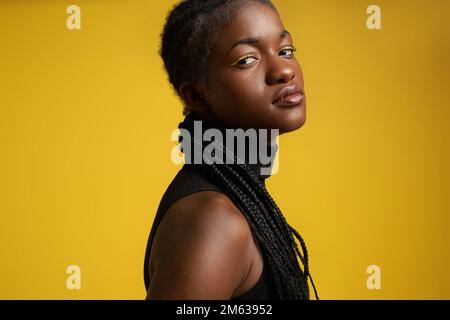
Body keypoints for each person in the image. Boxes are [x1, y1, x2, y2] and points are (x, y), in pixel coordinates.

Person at [143, 0, 319, 300]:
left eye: (285, 51)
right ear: (196, 96)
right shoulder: (214, 221)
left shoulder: (241, 197)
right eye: (246, 59)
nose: (283, 70)